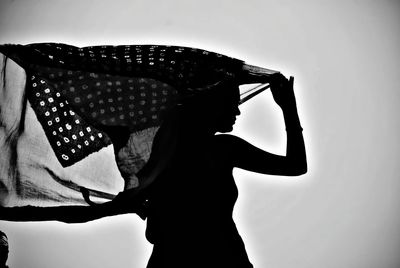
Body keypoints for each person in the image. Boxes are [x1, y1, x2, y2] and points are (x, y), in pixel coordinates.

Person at [143, 73, 307, 268]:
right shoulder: (223, 149)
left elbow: (152, 231)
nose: (238, 111)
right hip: (224, 258)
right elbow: (295, 165)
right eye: (233, 103)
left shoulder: (162, 153)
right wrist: (288, 108)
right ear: (213, 104)